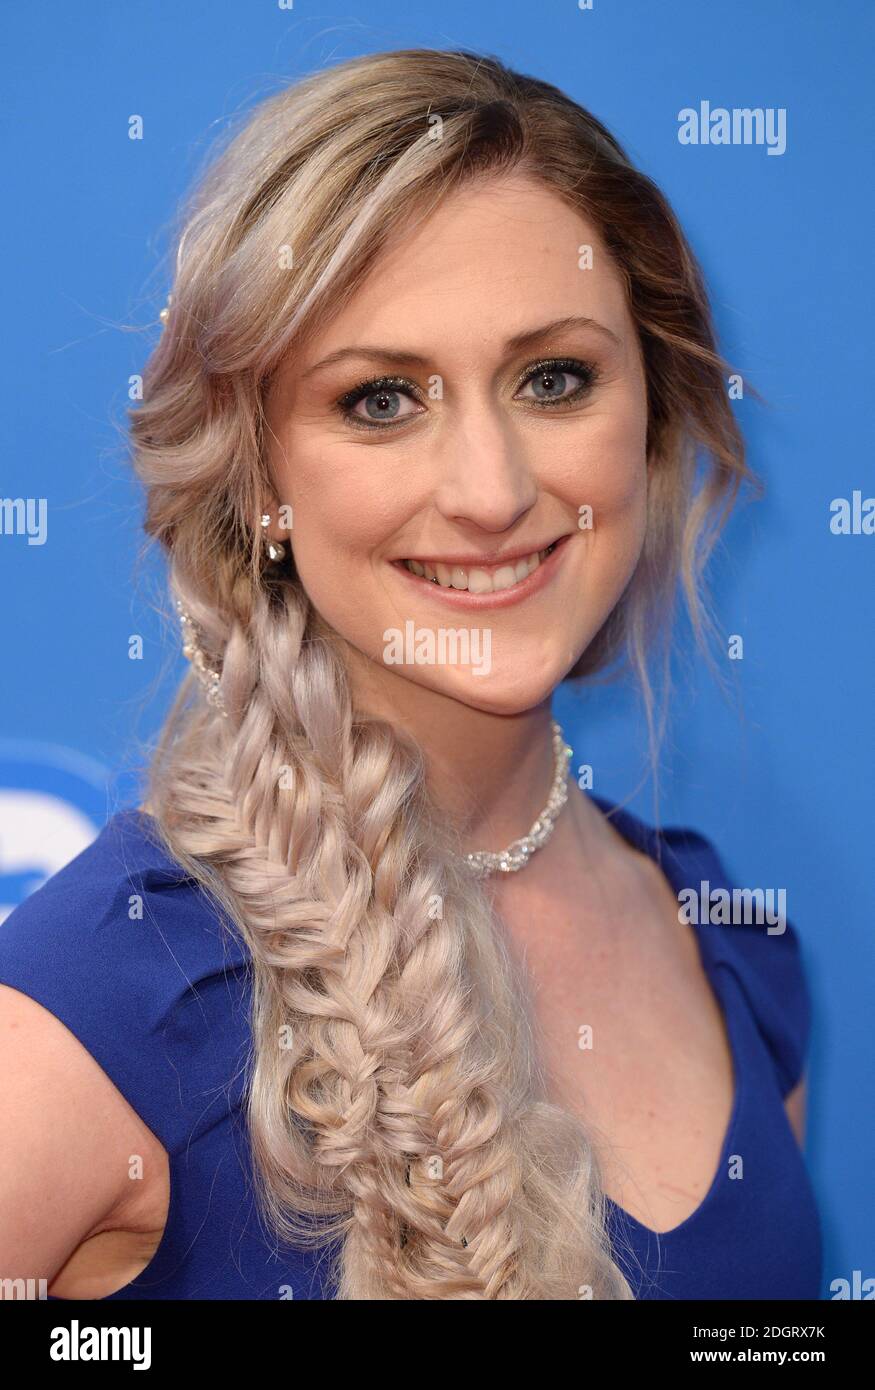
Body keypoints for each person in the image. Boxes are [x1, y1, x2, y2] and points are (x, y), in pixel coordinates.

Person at [0, 47, 821, 1301]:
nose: (490, 491)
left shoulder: (726, 947)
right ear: (259, 476)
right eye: (381, 399)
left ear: (648, 416)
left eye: (554, 379)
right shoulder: (111, 992)